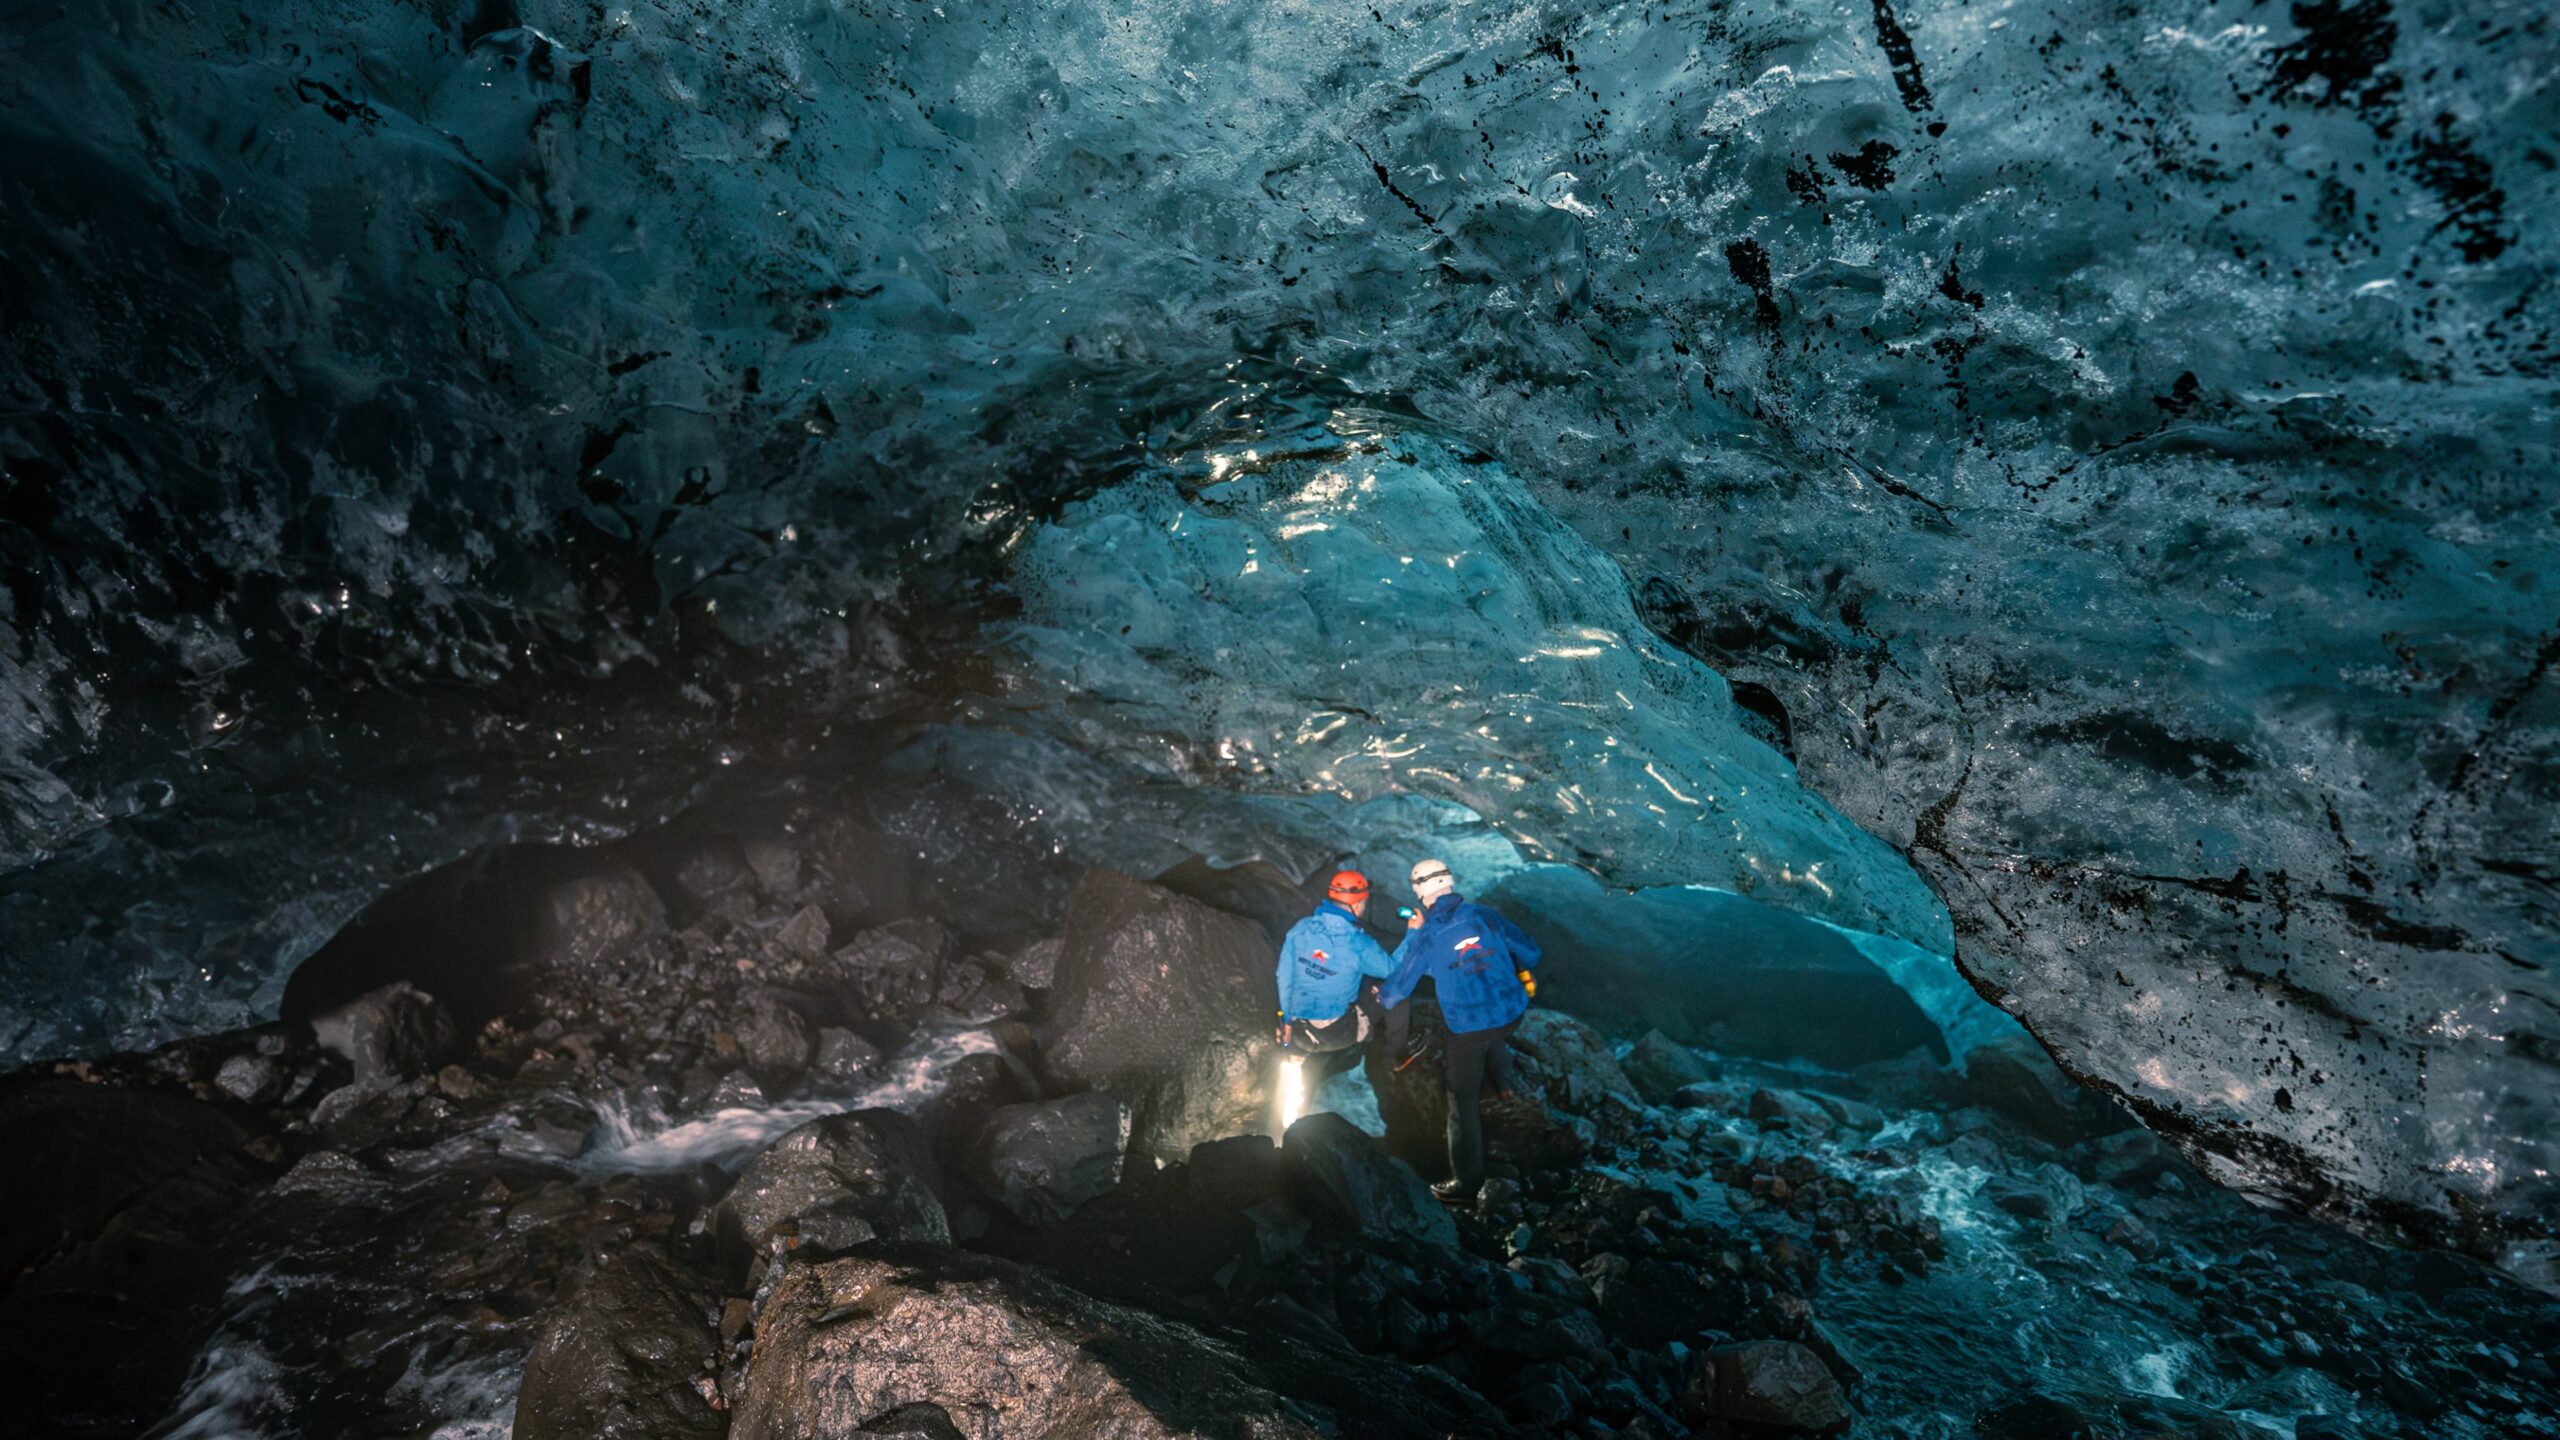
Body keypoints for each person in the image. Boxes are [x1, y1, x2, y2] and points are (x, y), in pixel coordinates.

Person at [1377, 857, 1541, 1198]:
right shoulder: (1485, 915)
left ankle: (1466, 1183)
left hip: (1468, 1028)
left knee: (1461, 1101)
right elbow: (1531, 951)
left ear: (1420, 892)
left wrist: (1385, 994)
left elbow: (1397, 991)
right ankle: (1505, 1080)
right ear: (1450, 882)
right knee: (1494, 1030)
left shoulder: (1425, 937)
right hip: (1512, 1012)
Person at [1274, 869, 1401, 1086]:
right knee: (1384, 985)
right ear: (1358, 904)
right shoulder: (1357, 943)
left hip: (1294, 1029)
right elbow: (1393, 970)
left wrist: (1285, 1020)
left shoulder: (1301, 928)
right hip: (1334, 1035)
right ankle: (1394, 1049)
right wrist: (1415, 934)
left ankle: (1296, 1058)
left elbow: (1283, 975)